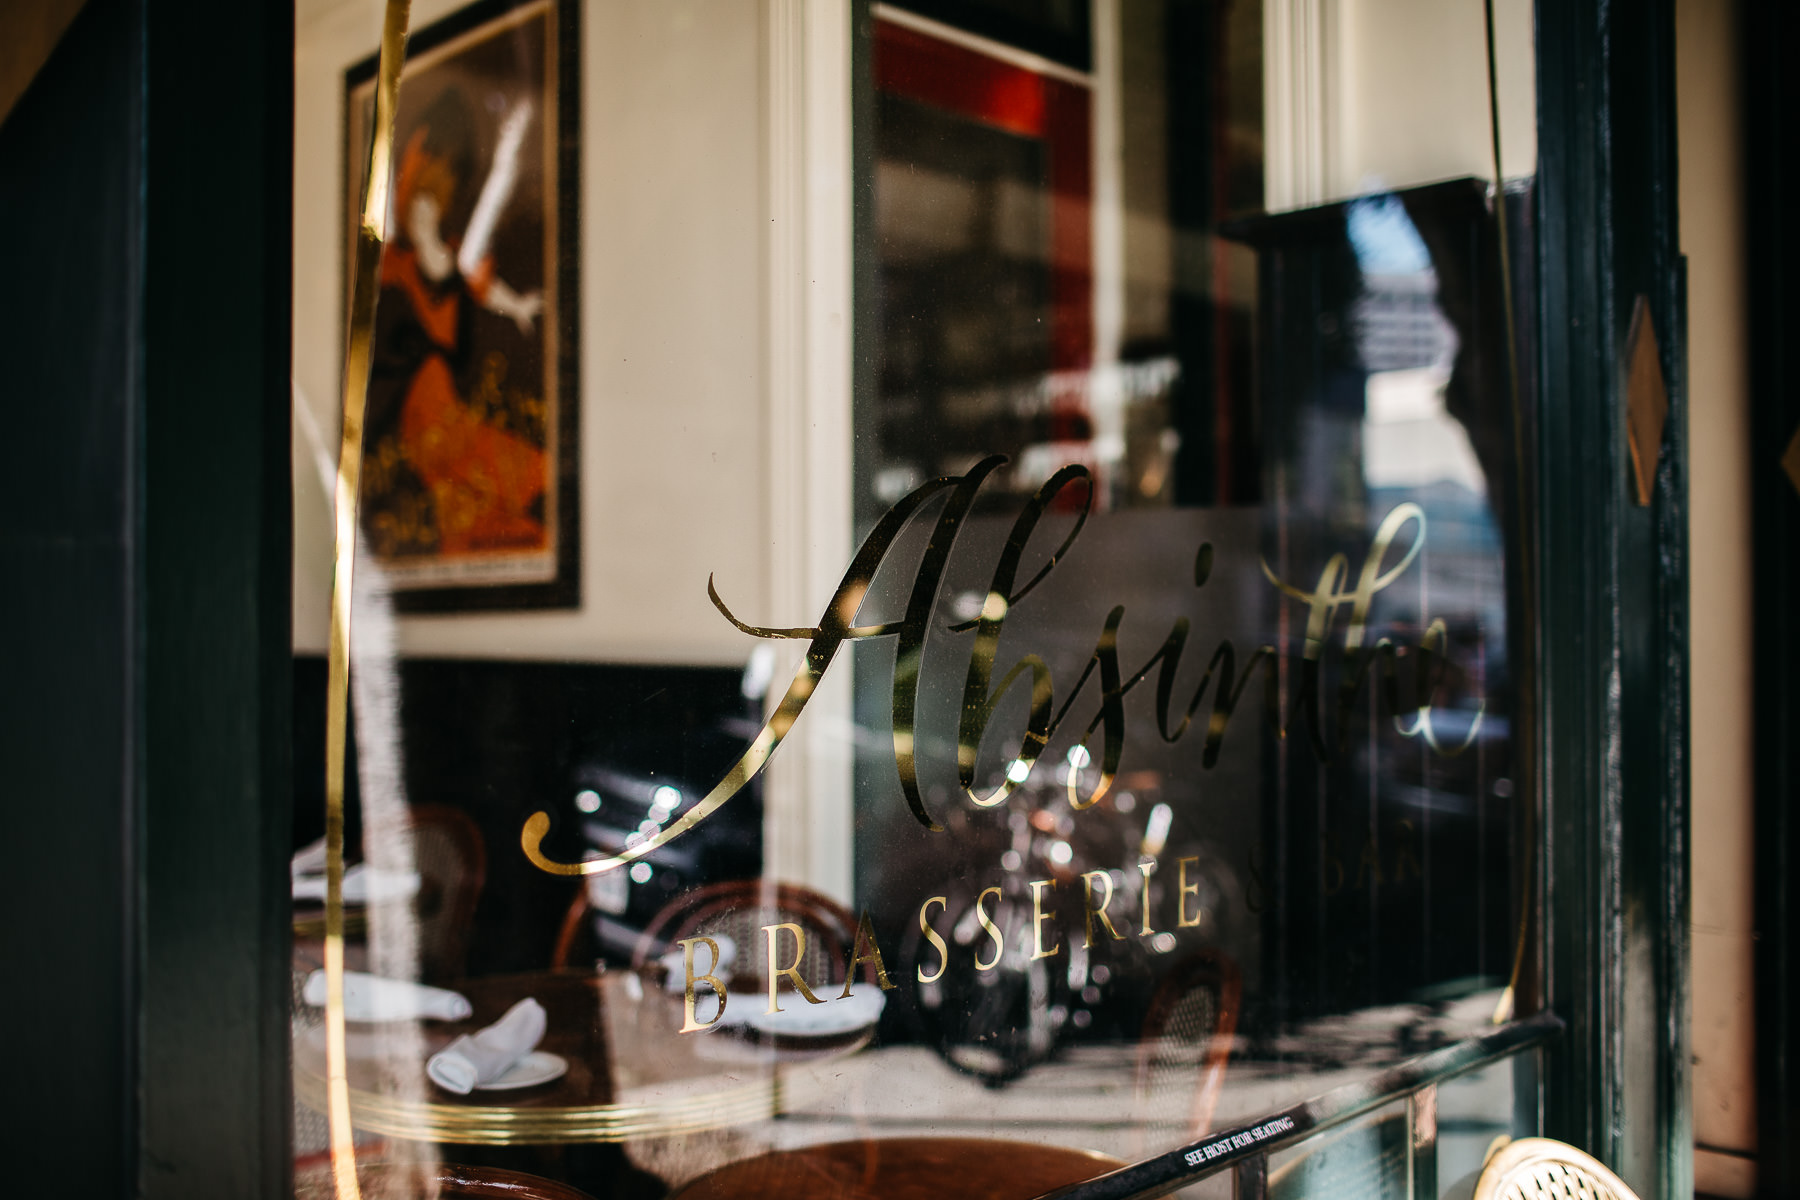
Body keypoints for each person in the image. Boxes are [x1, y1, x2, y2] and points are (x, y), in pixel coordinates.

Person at [365, 86, 548, 559]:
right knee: (484, 482)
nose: (429, 202)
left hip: (448, 412)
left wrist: (521, 307)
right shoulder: (392, 269)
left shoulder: (451, 261)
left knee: (521, 474)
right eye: (426, 175)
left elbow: (483, 289)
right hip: (421, 421)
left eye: (442, 186)